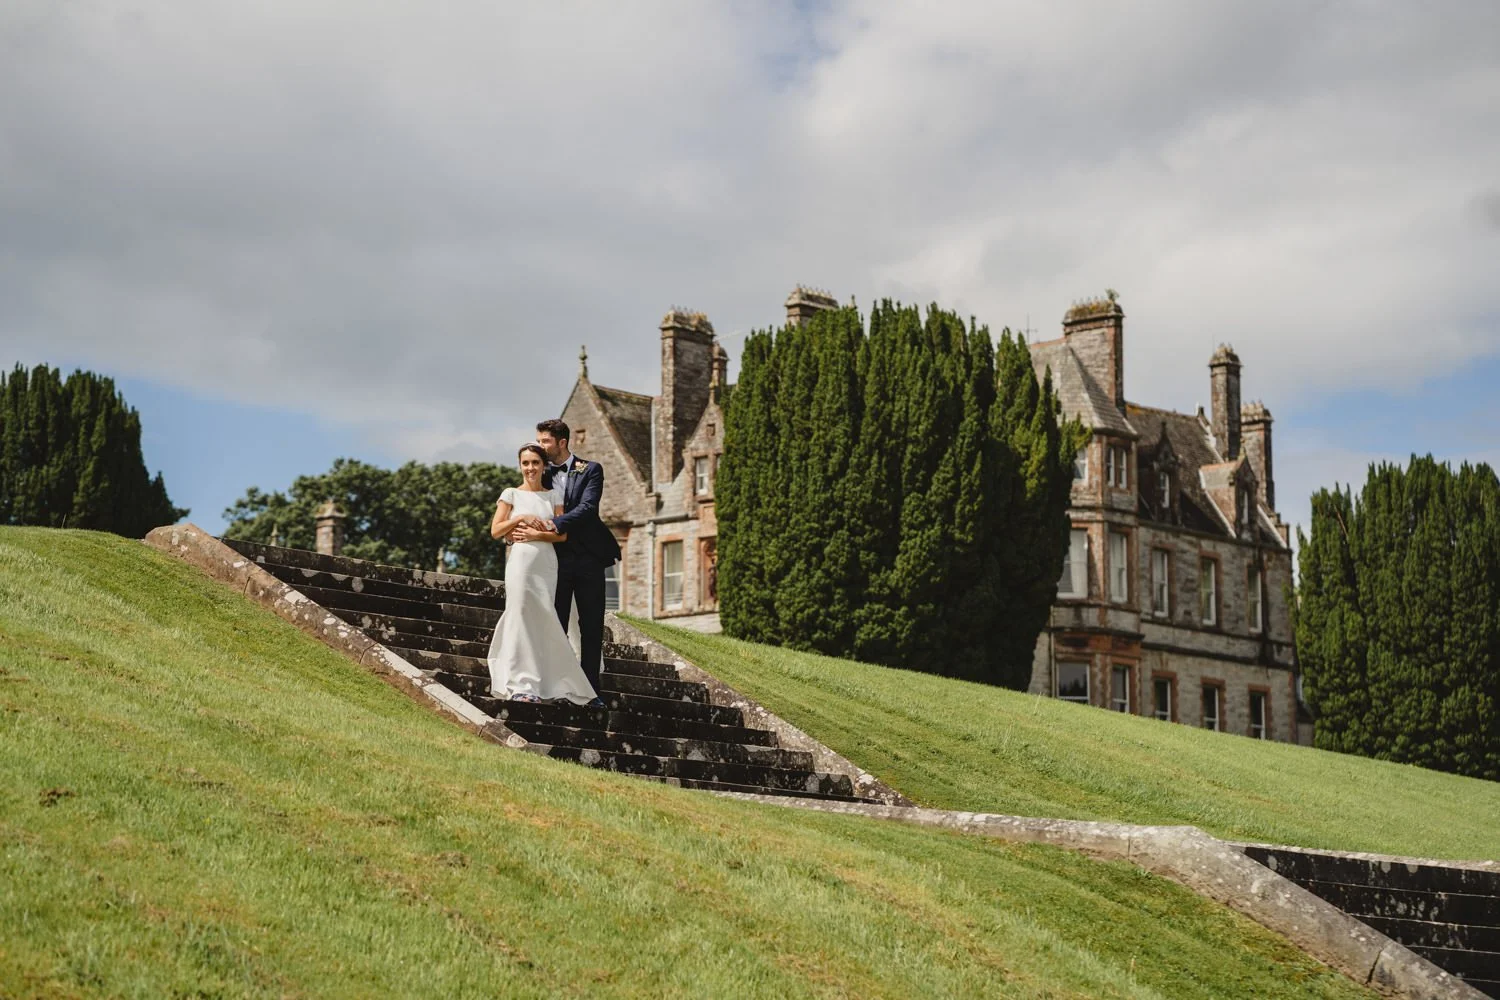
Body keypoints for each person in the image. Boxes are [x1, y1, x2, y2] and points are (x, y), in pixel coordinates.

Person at [510, 418, 620, 696]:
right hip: (555, 561)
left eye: (545, 441)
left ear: (562, 442)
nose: (540, 446)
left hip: (589, 558)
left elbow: (588, 508)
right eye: (539, 440)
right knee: (554, 622)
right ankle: (555, 686)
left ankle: (591, 690)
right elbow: (525, 501)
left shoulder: (591, 470)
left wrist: (553, 525)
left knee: (591, 625)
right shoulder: (540, 471)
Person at [486, 443, 597, 705]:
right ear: (520, 465)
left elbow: (563, 534)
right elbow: (496, 530)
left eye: (535, 463)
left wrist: (537, 534)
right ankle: (520, 683)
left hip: (546, 563)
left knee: (545, 617)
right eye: (525, 463)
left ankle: (555, 683)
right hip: (521, 563)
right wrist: (520, 518)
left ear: (543, 465)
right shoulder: (510, 494)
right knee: (520, 614)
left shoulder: (552, 497)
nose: (530, 468)